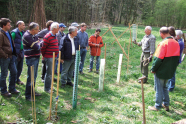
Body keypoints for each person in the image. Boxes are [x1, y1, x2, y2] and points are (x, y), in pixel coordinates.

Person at [148, 27, 180, 111]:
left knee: (159, 88)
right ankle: (166, 104)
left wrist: (153, 69)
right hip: (170, 71)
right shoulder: (176, 43)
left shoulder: (163, 43)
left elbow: (158, 59)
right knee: (165, 87)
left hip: (161, 71)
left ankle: (157, 106)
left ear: (161, 33)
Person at [0, 18, 19, 97]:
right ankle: (3, 90)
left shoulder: (8, 32)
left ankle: (12, 88)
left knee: (14, 72)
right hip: (5, 57)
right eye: (8, 25)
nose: (10, 26)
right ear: (4, 26)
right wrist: (5, 55)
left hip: (11, 56)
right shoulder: (1, 34)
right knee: (4, 74)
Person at [23, 22, 41, 101]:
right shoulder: (27, 36)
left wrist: (39, 43)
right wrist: (39, 43)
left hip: (36, 57)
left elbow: (39, 42)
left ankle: (32, 91)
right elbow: (36, 46)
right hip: (31, 58)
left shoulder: (34, 35)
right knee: (31, 77)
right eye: (37, 29)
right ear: (33, 30)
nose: (39, 30)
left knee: (34, 76)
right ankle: (28, 95)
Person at [41, 22, 59, 93]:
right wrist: (44, 56)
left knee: (51, 73)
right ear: (54, 29)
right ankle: (47, 88)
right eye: (58, 28)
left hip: (54, 56)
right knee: (49, 73)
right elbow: (43, 48)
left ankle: (49, 86)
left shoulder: (55, 36)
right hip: (49, 57)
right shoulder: (47, 36)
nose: (59, 29)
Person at [11, 21, 25, 86]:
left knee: (20, 67)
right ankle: (12, 83)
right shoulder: (14, 33)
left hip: (21, 52)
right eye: (23, 25)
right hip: (15, 53)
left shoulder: (22, 32)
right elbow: (10, 42)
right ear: (19, 25)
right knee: (14, 68)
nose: (24, 26)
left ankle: (17, 79)